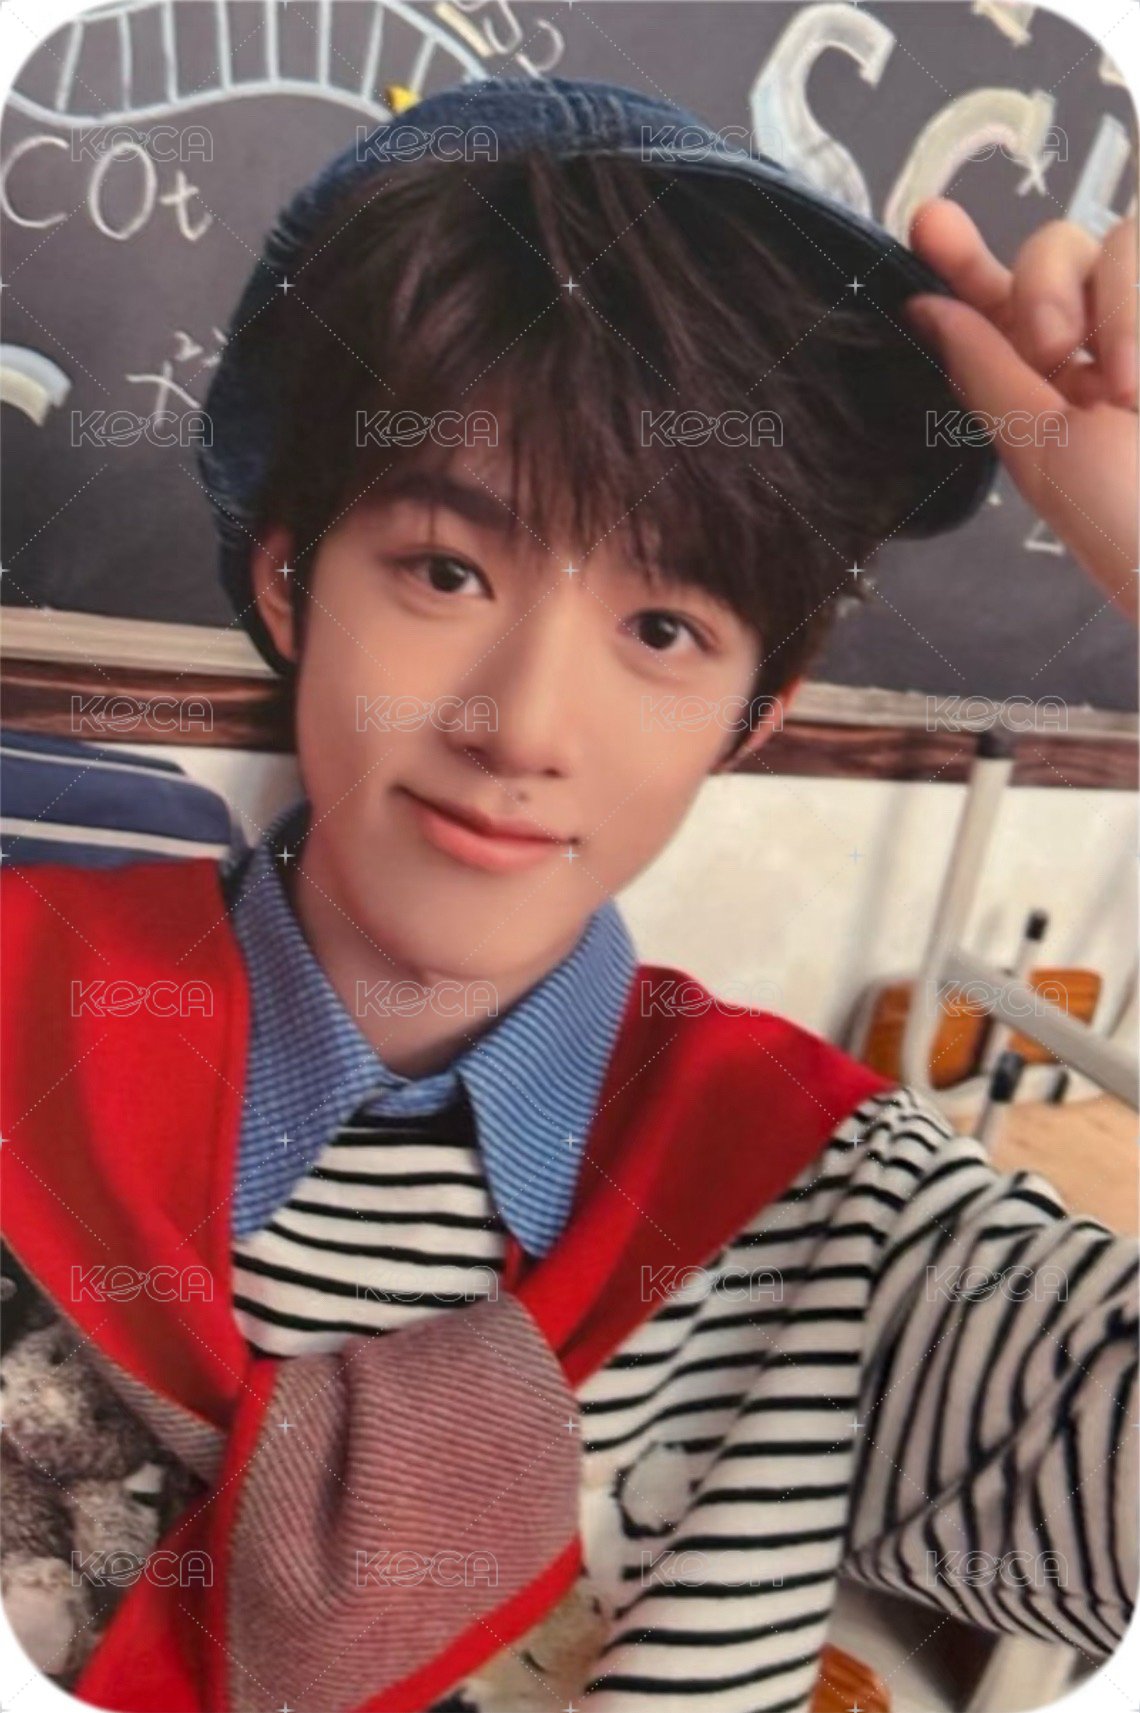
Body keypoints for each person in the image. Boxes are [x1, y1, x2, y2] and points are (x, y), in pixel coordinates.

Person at [1, 75, 1136, 1713]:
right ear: (289, 578)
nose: (523, 725)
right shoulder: (27, 1019)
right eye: (446, 569)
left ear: (756, 710)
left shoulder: (827, 1217)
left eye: (663, 628)